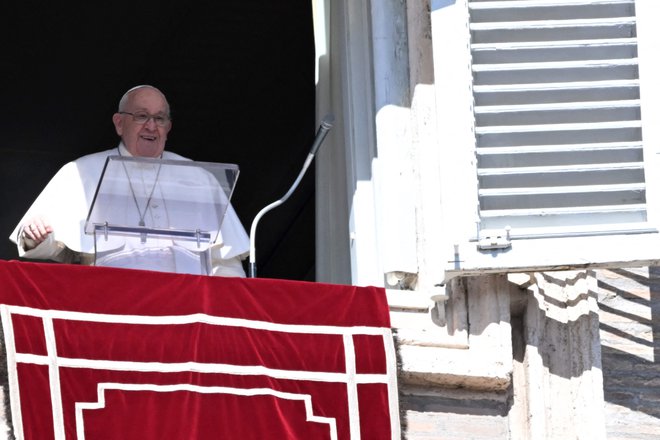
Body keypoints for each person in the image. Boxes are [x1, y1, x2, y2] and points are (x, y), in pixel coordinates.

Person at [9, 85, 249, 277]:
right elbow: (52, 246)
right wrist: (36, 236)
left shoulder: (199, 178)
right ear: (119, 123)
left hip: (187, 313)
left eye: (160, 118)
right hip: (112, 309)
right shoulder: (80, 172)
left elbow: (226, 262)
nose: (151, 126)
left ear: (169, 127)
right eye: (141, 116)